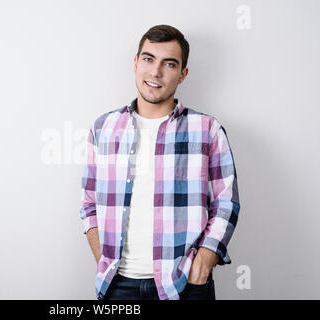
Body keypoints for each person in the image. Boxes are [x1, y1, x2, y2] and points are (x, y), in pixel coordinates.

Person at [79, 24, 240, 300]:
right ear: (135, 63)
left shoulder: (207, 129)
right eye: (148, 59)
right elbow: (89, 203)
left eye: (169, 63)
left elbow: (226, 203)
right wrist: (102, 259)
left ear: (183, 74)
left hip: (185, 285)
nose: (155, 72)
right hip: (117, 286)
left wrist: (202, 264)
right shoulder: (103, 128)